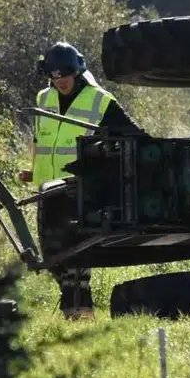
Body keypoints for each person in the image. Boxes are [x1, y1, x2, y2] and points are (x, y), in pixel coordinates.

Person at [17, 42, 142, 318]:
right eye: (55, 76)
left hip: (79, 191)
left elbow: (134, 137)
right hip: (47, 191)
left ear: (77, 72)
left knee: (75, 255)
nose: (60, 81)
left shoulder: (101, 101)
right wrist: (33, 170)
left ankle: (79, 310)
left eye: (65, 75)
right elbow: (41, 141)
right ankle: (74, 307)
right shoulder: (43, 98)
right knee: (53, 256)